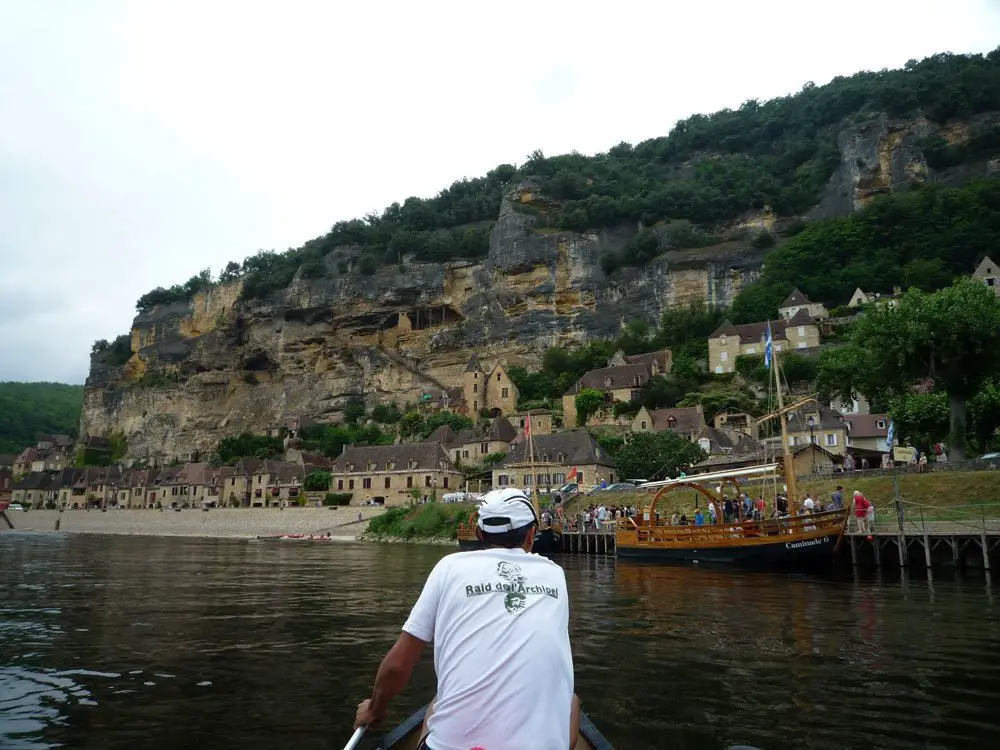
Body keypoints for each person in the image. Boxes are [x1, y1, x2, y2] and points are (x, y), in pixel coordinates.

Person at [354, 488, 580, 750]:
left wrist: (374, 708)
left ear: (479, 534)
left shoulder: (449, 567)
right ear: (531, 535)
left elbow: (397, 666)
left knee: (438, 701)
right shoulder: (554, 574)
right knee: (571, 700)